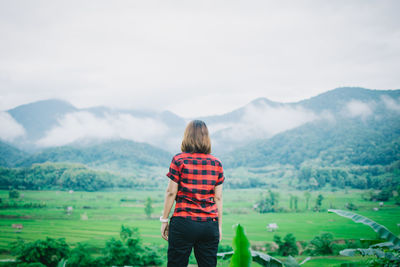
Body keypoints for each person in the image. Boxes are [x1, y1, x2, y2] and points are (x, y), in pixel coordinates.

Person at [160, 120, 224, 267]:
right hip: (209, 224)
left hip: (183, 223)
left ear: (187, 136)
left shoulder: (179, 160)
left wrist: (164, 220)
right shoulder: (216, 163)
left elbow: (171, 192)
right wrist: (218, 226)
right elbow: (218, 197)